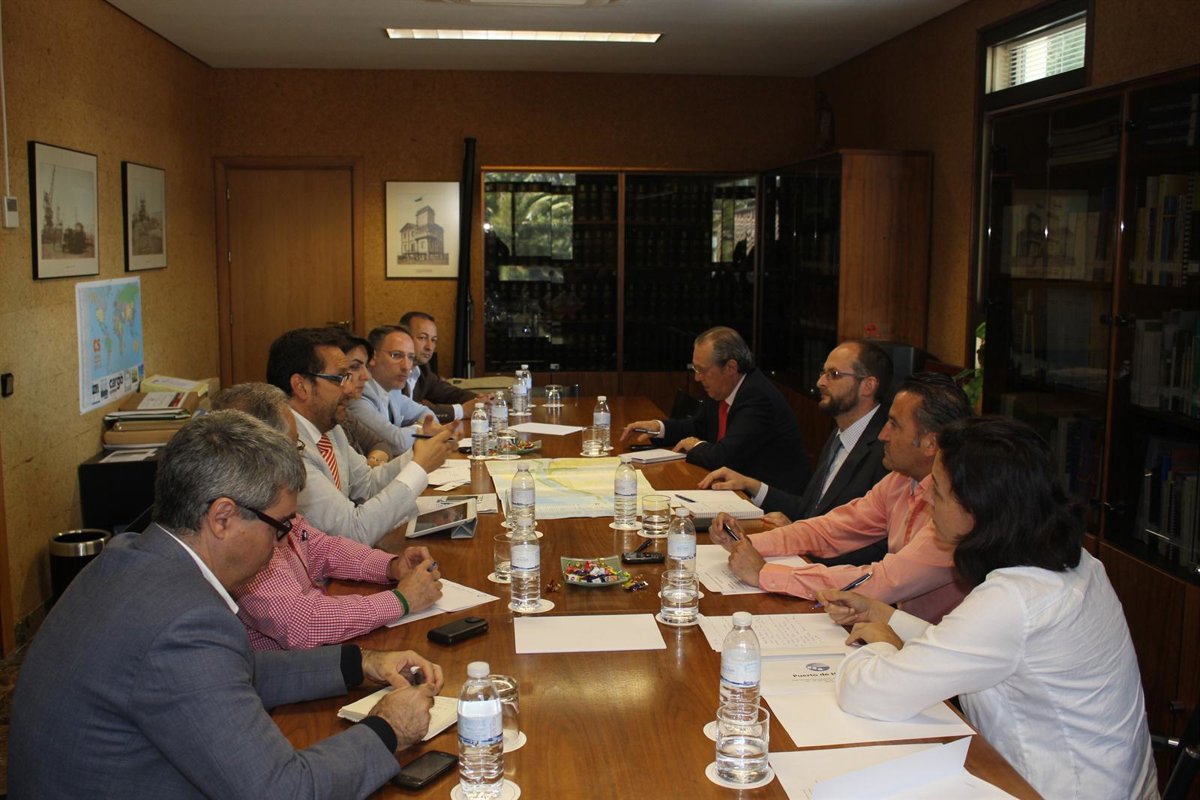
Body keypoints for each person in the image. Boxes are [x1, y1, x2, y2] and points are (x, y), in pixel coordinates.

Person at [8, 411, 445, 798]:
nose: (282, 544)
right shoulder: (183, 624)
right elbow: (285, 791)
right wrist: (389, 728)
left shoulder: (130, 556)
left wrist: (360, 664)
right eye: (279, 528)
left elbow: (234, 670)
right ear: (222, 518)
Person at [819, 417, 1156, 800]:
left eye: (939, 491)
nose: (927, 500)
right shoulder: (1077, 564)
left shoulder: (1013, 599)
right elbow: (981, 645)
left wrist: (881, 643)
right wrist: (886, 616)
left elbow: (866, 694)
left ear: (978, 508)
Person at [710, 372, 972, 623]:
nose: (882, 435)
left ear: (930, 444)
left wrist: (764, 573)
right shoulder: (900, 481)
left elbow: (882, 582)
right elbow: (830, 529)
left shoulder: (958, 508)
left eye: (894, 425)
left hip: (930, 644)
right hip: (895, 628)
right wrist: (746, 542)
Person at [212, 383, 444, 649]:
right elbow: (303, 624)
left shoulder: (267, 502)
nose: (300, 456)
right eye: (293, 446)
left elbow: (320, 547)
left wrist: (390, 567)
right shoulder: (243, 530)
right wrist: (402, 600)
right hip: (295, 666)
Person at [700, 340, 892, 565]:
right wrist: (752, 485)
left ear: (868, 386)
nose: (820, 382)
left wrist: (799, 539)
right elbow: (810, 509)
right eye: (822, 373)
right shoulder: (839, 434)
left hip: (831, 575)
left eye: (834, 374)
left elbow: (878, 549)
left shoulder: (887, 450)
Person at [266, 327, 454, 545]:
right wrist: (419, 467)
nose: (349, 388)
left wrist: (417, 454)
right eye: (339, 378)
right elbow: (352, 532)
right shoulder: (288, 447)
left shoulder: (330, 428)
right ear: (301, 386)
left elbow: (367, 484)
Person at [620, 326, 811, 495]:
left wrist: (695, 445)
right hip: (735, 490)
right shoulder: (723, 389)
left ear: (730, 368)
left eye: (702, 370)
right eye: (695, 369)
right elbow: (697, 426)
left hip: (772, 504)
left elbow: (723, 457)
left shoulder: (757, 398)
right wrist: (658, 427)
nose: (697, 378)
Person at [349, 324, 442, 456]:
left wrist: (416, 429)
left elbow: (428, 415)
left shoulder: (393, 391)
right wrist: (423, 429)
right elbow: (397, 444)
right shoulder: (357, 395)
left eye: (410, 357)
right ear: (372, 357)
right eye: (396, 355)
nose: (406, 367)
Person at [400, 310, 480, 423]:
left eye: (433, 340)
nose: (429, 347)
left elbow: (449, 394)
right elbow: (407, 411)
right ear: (404, 338)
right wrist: (462, 411)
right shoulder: (391, 370)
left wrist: (480, 400)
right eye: (422, 338)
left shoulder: (423, 370)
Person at [339, 332, 393, 467]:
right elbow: (396, 442)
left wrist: (373, 461)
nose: (366, 376)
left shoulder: (345, 414)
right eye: (354, 367)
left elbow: (379, 444)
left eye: (366, 367)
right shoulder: (349, 406)